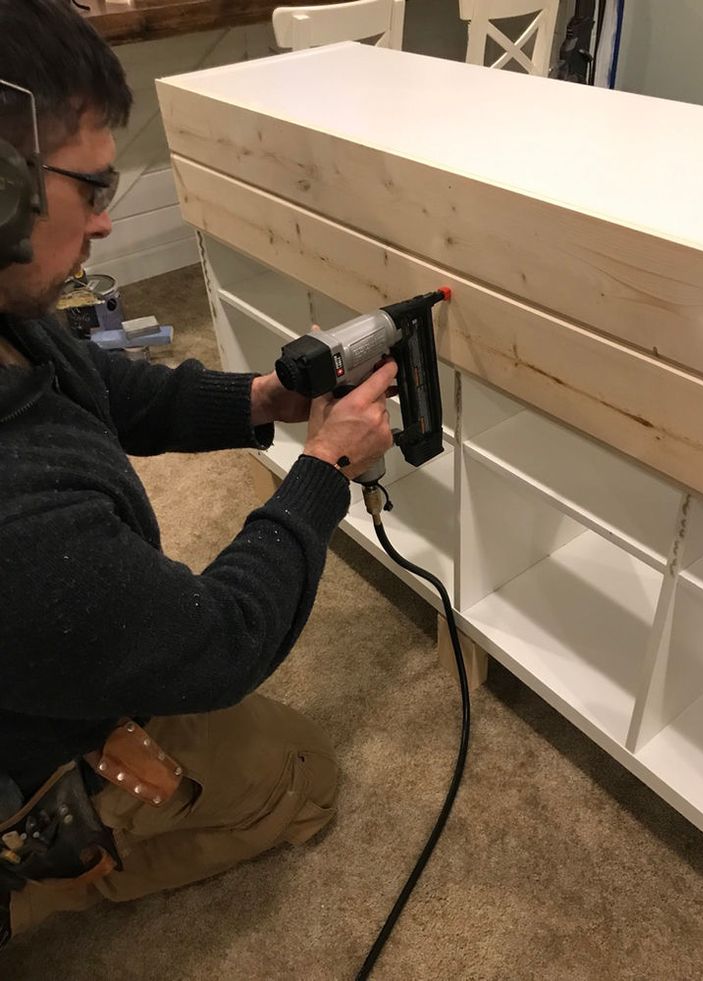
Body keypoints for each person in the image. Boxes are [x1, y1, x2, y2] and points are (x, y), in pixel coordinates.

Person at [0, 0, 396, 948]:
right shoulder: (18, 521)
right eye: (93, 189)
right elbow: (217, 643)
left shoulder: (9, 314)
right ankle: (32, 880)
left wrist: (258, 400)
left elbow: (92, 379)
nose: (104, 223)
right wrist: (325, 469)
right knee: (300, 776)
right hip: (29, 748)